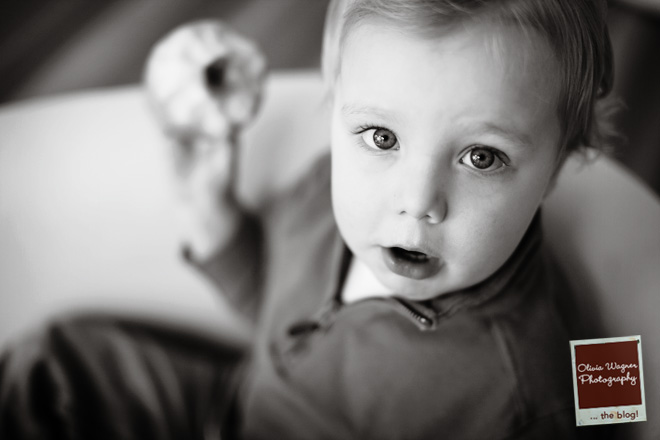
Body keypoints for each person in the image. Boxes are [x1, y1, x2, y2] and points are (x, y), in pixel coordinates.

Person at [0, 0, 619, 439]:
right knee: (53, 364)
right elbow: (274, 307)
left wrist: (614, 385)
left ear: (563, 163)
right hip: (231, 405)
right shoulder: (324, 189)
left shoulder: (532, 384)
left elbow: (617, 402)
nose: (416, 199)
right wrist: (209, 210)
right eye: (381, 137)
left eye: (481, 157)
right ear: (335, 99)